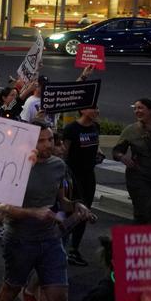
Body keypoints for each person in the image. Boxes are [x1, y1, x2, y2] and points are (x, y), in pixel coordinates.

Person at [0, 124, 94, 301]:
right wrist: (32, 213)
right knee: (10, 288)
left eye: (50, 139)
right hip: (19, 239)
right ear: (28, 142)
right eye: (42, 141)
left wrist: (77, 207)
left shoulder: (58, 166)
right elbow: (2, 208)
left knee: (59, 297)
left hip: (50, 239)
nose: (48, 145)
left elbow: (62, 203)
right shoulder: (14, 166)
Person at [113, 98, 151, 224]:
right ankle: (141, 240)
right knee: (146, 211)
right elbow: (117, 151)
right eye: (135, 108)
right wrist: (122, 157)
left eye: (140, 108)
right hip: (139, 177)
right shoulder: (131, 130)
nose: (136, 111)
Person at [62, 107, 102, 265]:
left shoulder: (95, 127)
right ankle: (61, 246)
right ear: (82, 110)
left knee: (85, 211)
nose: (96, 111)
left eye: (97, 108)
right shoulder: (72, 129)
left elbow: (95, 145)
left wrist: (98, 154)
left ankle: (74, 249)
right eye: (93, 108)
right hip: (73, 176)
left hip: (89, 176)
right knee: (70, 212)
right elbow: (65, 152)